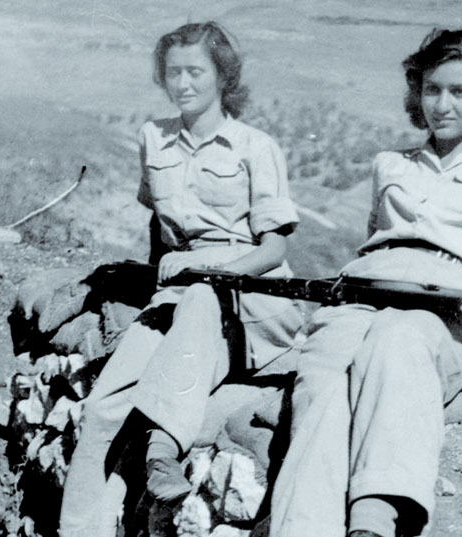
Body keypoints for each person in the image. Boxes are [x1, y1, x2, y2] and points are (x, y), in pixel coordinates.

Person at [268, 28, 462, 537]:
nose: (442, 105)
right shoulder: (390, 165)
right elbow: (372, 246)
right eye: (431, 90)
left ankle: (374, 520)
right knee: (326, 373)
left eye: (459, 91)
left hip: (445, 318)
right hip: (363, 296)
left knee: (397, 337)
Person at [58, 22, 303, 537]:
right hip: (179, 292)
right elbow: (158, 222)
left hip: (250, 298)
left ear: (223, 77)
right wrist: (162, 280)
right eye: (173, 73)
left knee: (201, 299)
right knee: (103, 408)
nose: (183, 83)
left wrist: (212, 270)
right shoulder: (154, 138)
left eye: (196, 71)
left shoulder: (255, 147)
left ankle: (162, 451)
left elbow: (274, 250)